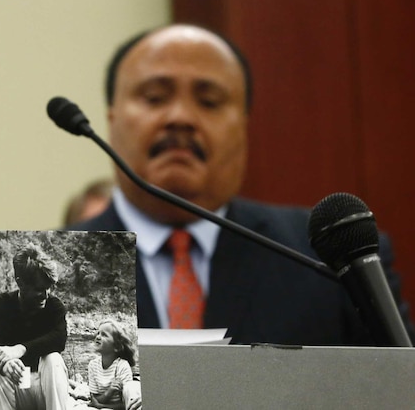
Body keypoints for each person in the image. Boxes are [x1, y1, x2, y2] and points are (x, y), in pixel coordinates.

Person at [68, 23, 415, 346]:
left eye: (209, 102)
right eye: (155, 97)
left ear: (243, 126)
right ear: (111, 119)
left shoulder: (327, 259)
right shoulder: (51, 268)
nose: (181, 118)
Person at [0, 246, 70, 410]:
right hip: (17, 384)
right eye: (39, 289)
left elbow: (59, 339)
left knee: (53, 359)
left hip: (44, 388)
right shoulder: (0, 305)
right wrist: (5, 363)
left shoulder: (54, 306)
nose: (46, 294)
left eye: (48, 288)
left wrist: (20, 349)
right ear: (20, 281)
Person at [84, 320, 136, 410]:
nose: (98, 337)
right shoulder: (93, 365)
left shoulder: (122, 366)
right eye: (98, 333)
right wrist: (109, 392)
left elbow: (128, 404)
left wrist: (103, 406)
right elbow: (95, 399)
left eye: (104, 335)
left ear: (116, 347)